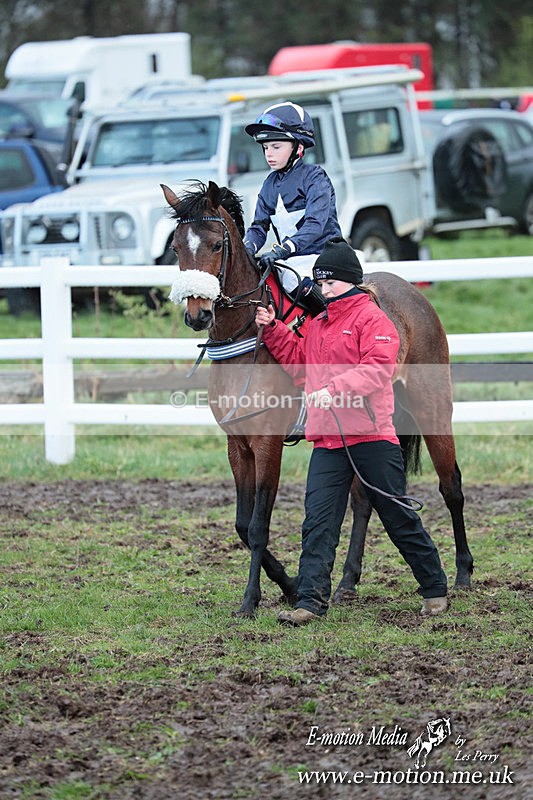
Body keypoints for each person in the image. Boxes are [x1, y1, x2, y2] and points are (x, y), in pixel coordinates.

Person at [254, 237, 448, 626]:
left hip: (372, 438)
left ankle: (434, 586)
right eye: (320, 284)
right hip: (327, 440)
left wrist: (333, 390)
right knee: (318, 521)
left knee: (397, 516)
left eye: (330, 284)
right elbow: (298, 362)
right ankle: (309, 602)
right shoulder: (317, 325)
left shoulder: (374, 320)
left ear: (350, 281)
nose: (323, 291)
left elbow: (379, 369)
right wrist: (274, 329)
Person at [243, 101, 342, 316]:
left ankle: (335, 322)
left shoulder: (315, 177)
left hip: (323, 256)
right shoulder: (269, 183)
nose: (269, 154)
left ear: (298, 147)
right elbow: (259, 227)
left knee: (292, 279)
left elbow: (315, 225)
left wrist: (283, 249)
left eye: (276, 147)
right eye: (266, 147)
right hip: (290, 260)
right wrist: (246, 249)